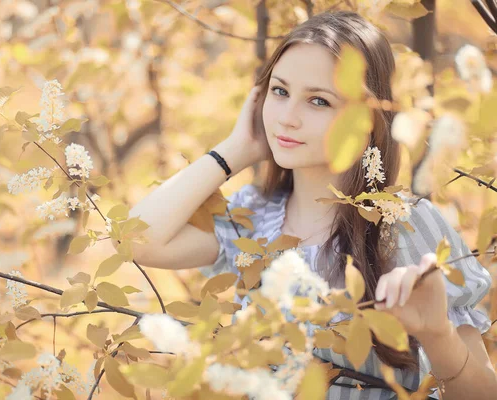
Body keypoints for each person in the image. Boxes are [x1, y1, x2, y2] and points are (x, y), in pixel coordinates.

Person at [119, 10, 495, 400]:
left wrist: (438, 335)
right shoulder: (253, 219)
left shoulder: (406, 224)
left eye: (318, 100)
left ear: (366, 119)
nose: (287, 119)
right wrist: (234, 151)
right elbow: (136, 240)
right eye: (279, 92)